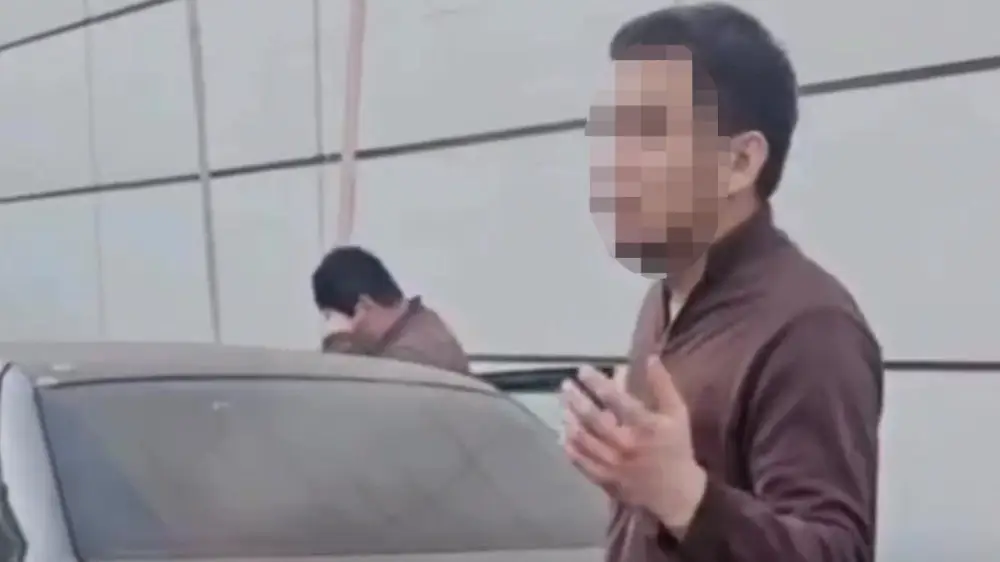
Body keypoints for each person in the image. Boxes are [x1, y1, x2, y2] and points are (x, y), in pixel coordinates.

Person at [562, 4, 882, 562]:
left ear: (739, 162)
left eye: (647, 132)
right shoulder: (664, 300)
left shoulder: (810, 327)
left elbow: (837, 551)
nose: (611, 164)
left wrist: (685, 497)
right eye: (608, 133)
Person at [311, 246, 470, 375]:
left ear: (364, 306)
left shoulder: (410, 356)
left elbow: (350, 392)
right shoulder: (418, 326)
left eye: (335, 318)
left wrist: (339, 341)